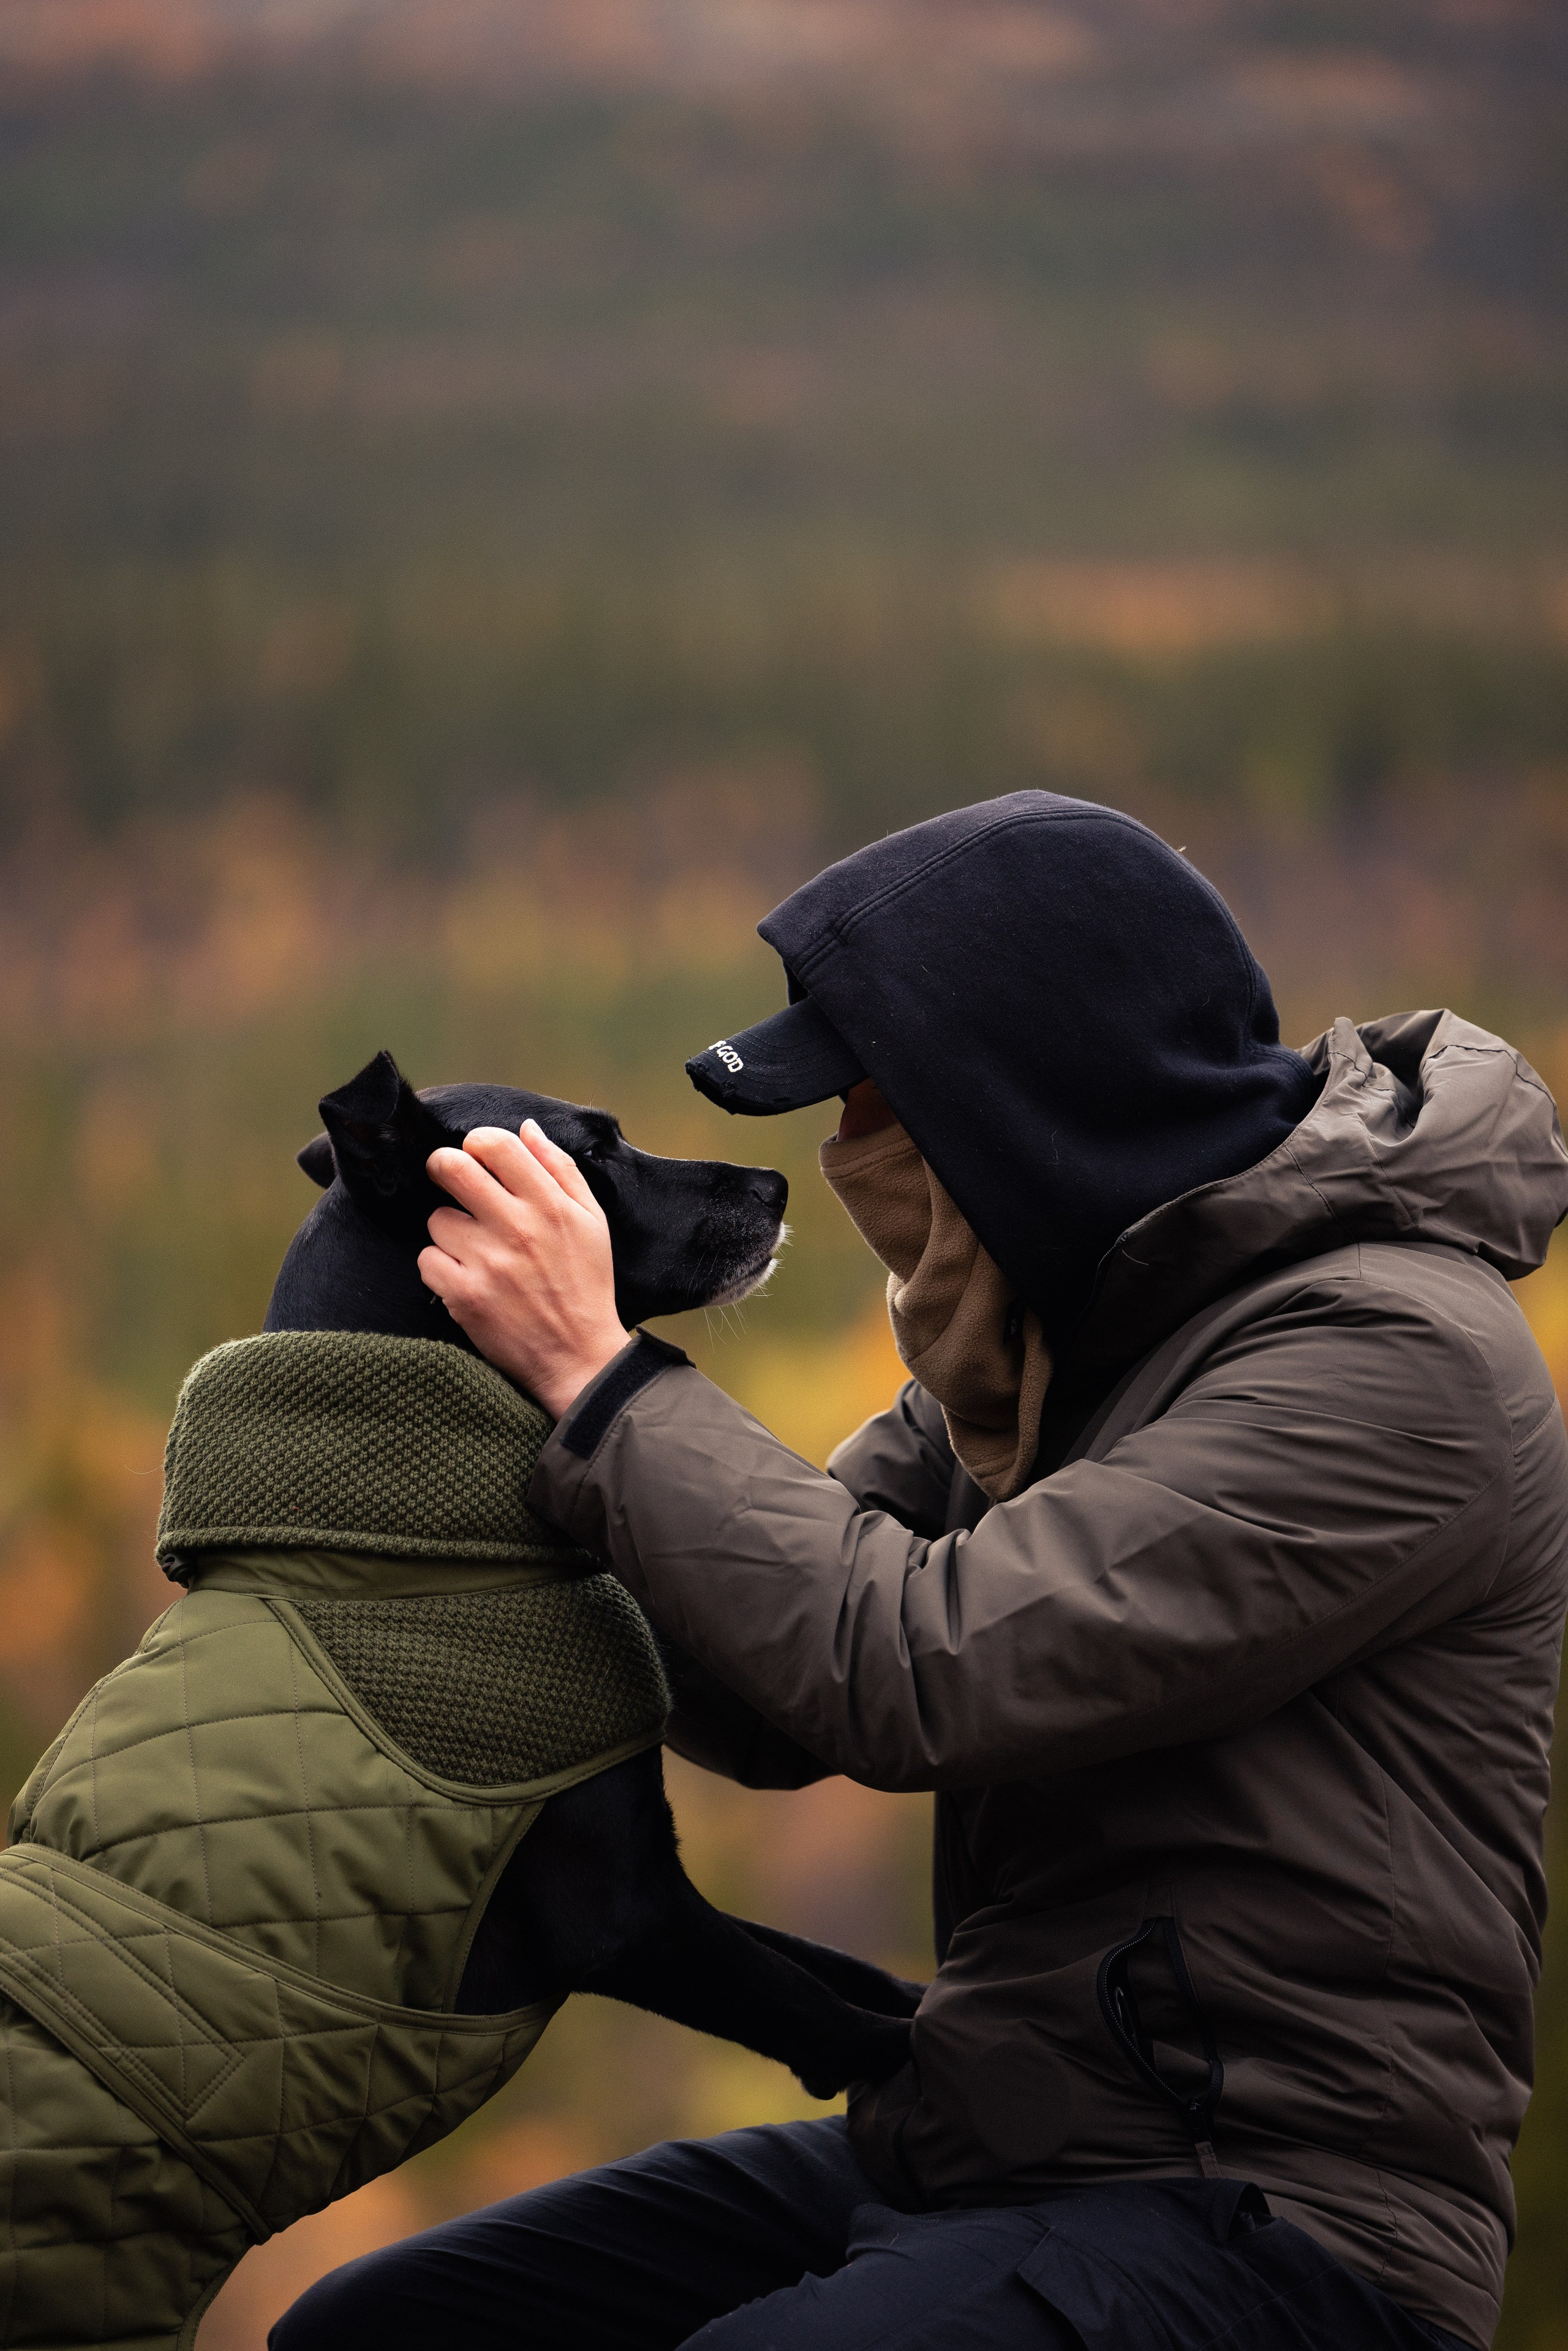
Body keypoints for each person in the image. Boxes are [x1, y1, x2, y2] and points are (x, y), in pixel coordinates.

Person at [273, 791, 1568, 2351]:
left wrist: (601, 1382)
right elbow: (770, 1690)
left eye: (875, 1109)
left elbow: (916, 1666)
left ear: (1020, 1102)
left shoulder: (1383, 1360)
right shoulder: (1053, 1331)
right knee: (378, 2331)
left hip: (1275, 2217)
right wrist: (453, 1453)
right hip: (979, 2147)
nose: (842, 1161)